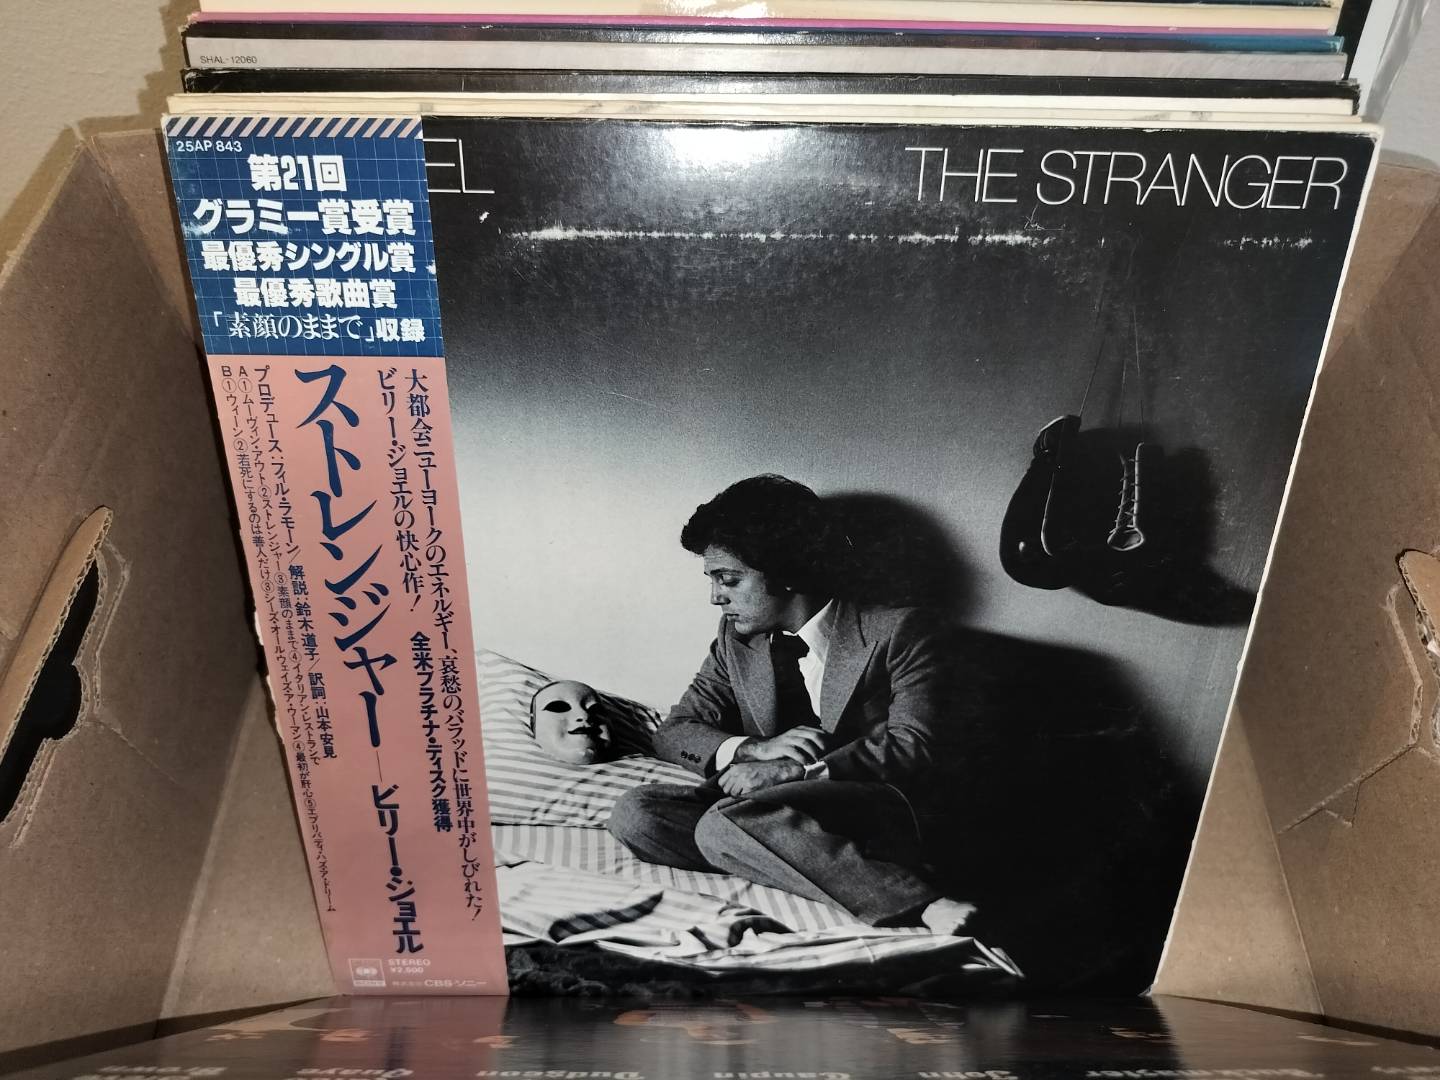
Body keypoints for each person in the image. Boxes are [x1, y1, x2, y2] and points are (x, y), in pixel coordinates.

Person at [607, 474, 978, 935]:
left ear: (785, 573)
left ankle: (923, 904)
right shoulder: (736, 640)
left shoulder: (902, 630)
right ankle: (801, 863)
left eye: (729, 580)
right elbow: (676, 730)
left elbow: (914, 747)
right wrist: (752, 750)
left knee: (723, 824)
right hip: (767, 812)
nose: (715, 598)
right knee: (638, 814)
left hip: (873, 805)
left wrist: (797, 770)